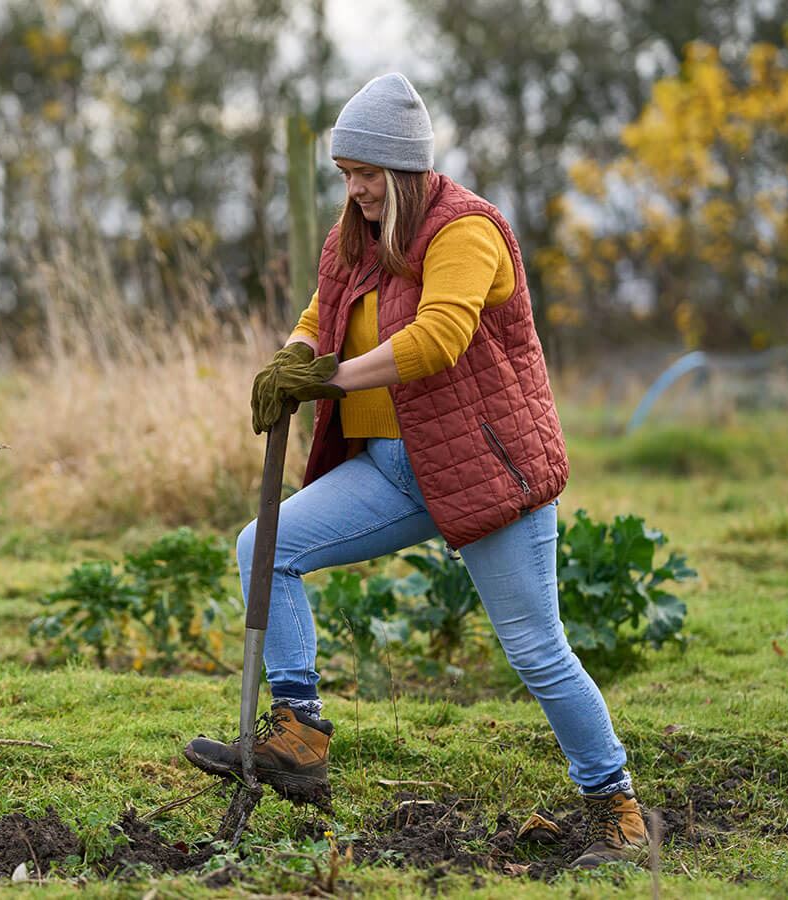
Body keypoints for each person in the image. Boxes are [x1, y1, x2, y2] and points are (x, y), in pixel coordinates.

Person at [181, 73, 646, 869]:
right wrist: (292, 359)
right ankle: (299, 728)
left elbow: (438, 340)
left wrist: (326, 377)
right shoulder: (352, 237)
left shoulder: (467, 232)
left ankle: (617, 809)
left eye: (365, 172)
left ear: (403, 169)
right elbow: (318, 315)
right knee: (264, 546)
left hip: (486, 471)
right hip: (395, 472)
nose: (354, 187)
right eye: (345, 172)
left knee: (536, 650)